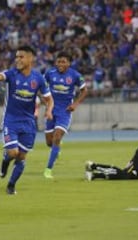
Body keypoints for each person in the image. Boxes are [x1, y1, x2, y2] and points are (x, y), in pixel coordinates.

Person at [0, 45, 54, 194]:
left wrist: (49, 110)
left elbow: (49, 99)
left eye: (21, 57)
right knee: (12, 153)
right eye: (16, 57)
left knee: (22, 157)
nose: (17, 60)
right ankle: (5, 162)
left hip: (29, 123)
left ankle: (11, 185)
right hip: (11, 120)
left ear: (30, 58)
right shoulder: (12, 74)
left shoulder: (39, 79)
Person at [43, 51, 87, 179]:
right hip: (51, 109)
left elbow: (84, 90)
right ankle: (57, 149)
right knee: (49, 142)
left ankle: (48, 170)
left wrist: (76, 104)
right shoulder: (49, 73)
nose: (60, 64)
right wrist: (44, 100)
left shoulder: (75, 75)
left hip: (65, 111)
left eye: (63, 61)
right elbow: (42, 87)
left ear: (69, 63)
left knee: (57, 137)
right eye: (58, 61)